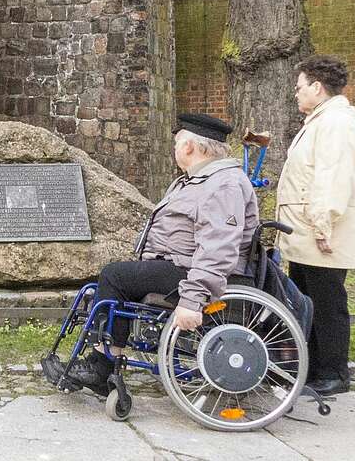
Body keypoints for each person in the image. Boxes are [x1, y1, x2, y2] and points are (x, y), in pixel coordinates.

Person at [60, 113, 260, 395]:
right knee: (112, 280)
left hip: (192, 272)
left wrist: (193, 299)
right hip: (179, 265)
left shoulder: (223, 184)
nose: (175, 148)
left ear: (190, 146)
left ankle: (103, 364)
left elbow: (218, 248)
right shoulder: (194, 181)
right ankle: (102, 357)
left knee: (115, 276)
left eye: (178, 142)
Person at [276, 54, 355, 396]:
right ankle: (312, 368)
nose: (296, 93)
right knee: (308, 301)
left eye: (300, 87)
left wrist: (324, 224)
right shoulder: (322, 120)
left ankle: (333, 373)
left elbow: (334, 177)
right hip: (305, 233)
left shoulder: (337, 122)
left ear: (317, 87)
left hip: (320, 234)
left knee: (327, 301)